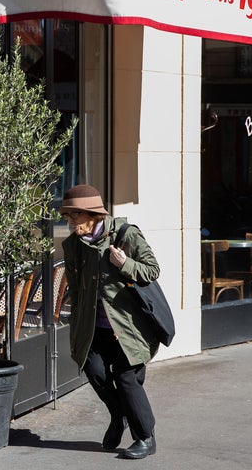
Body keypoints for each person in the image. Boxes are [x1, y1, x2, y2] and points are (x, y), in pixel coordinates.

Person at [60, 184, 161, 460]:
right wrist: (76, 332)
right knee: (95, 373)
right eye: (67, 216)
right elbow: (77, 292)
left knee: (126, 378)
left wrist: (126, 263)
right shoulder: (72, 246)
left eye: (74, 216)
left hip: (128, 329)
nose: (69, 222)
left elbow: (153, 270)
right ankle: (119, 417)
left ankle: (145, 437)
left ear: (91, 214)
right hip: (94, 329)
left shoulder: (126, 235)